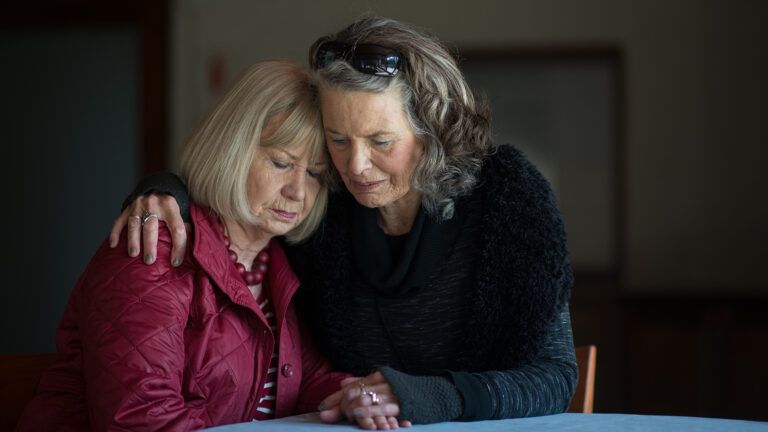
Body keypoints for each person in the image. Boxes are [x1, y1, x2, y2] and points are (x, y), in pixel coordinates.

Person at [112, 16, 577, 429]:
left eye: (380, 140)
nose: (355, 166)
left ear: (432, 130)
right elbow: (241, 181)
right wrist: (165, 187)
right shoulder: (321, 202)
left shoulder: (509, 198)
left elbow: (555, 377)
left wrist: (432, 396)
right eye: (337, 139)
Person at [17, 61, 361, 431]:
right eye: (281, 162)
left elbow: (304, 382)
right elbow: (141, 419)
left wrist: (356, 396)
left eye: (314, 174)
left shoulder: (274, 261)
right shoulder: (156, 247)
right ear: (231, 150)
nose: (297, 191)